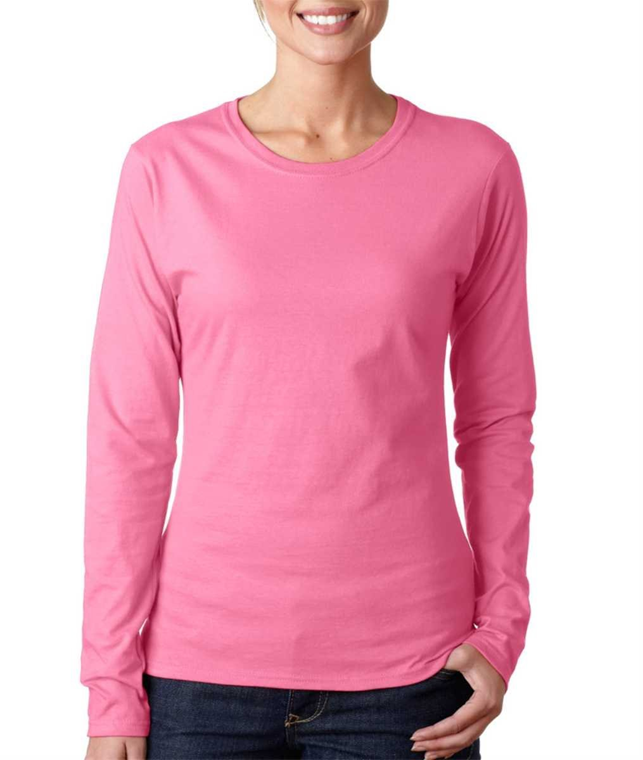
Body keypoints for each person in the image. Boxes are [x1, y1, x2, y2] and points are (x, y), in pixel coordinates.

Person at [81, 1, 537, 758]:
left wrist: (503, 630)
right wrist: (110, 686)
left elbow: (496, 418)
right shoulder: (166, 169)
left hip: (412, 680)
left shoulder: (474, 166)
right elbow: (129, 436)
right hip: (198, 681)